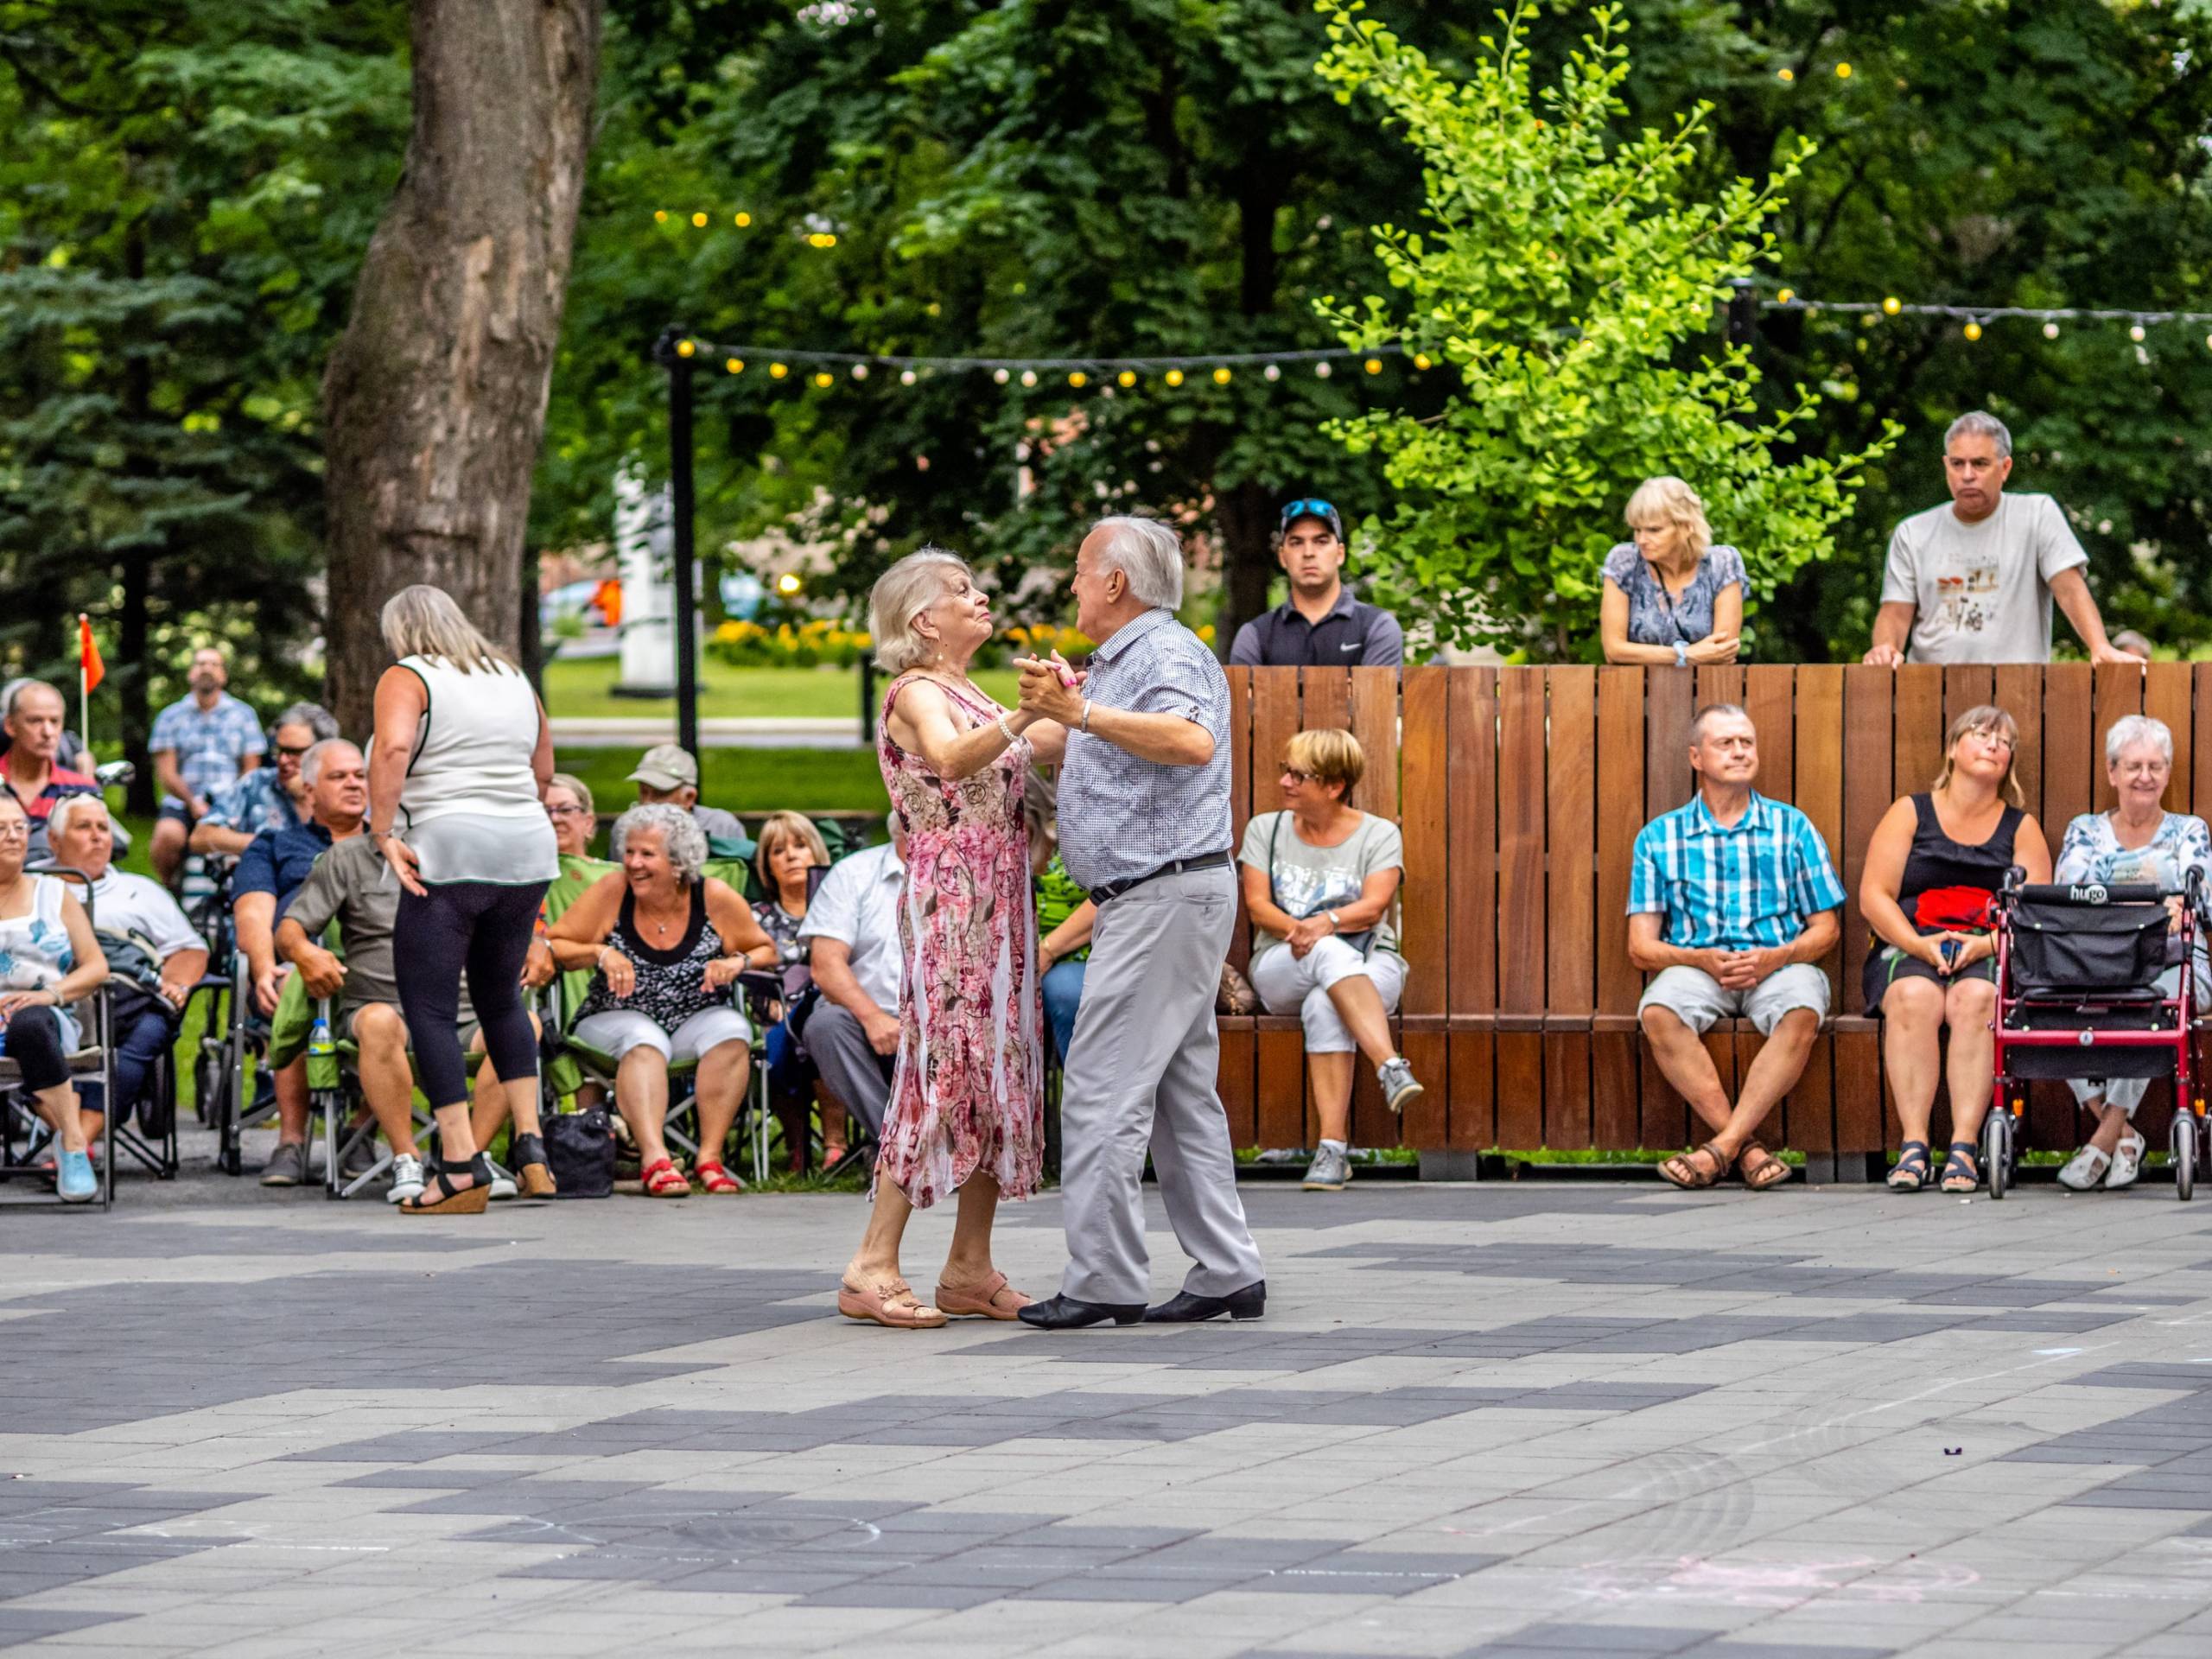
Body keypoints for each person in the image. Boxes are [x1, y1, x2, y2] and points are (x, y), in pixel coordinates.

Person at [1014, 515, 1267, 1329]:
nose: (1075, 583)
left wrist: (1081, 714)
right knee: (1179, 1095)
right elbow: (1073, 742)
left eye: (1082, 570)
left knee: (1100, 1089)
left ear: (1116, 582)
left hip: (1160, 898)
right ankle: (1228, 1270)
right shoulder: (1127, 660)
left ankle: (1104, 1280)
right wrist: (1046, 715)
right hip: (1166, 897)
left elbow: (1190, 742)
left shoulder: (1162, 652)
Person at [834, 548, 1065, 1331]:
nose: (981, 597)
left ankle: (969, 1268)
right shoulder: (919, 693)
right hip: (954, 901)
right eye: (960, 591)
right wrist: (1030, 714)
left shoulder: (968, 690)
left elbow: (1036, 750)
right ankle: (870, 1266)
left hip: (1002, 901)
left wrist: (1077, 706)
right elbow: (952, 757)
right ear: (923, 619)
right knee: (946, 1067)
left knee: (999, 1069)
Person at [366, 585, 558, 1215]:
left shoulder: (409, 675)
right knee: (501, 996)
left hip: (449, 849)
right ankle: (531, 1148)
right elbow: (544, 766)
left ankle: (456, 1161)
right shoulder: (510, 675)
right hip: (526, 850)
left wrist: (382, 831)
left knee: (428, 1005)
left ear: (402, 631)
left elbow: (393, 748)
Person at [1626, 706, 1846, 1190]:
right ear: (1696, 757)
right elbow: (1641, 948)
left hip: (1778, 962)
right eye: (1726, 743)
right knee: (1659, 1009)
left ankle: (1721, 1148)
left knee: (1804, 1007)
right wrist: (1698, 958)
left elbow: (1826, 929)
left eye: (1747, 742)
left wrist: (1778, 957)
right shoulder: (1659, 837)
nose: (1741, 751)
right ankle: (1745, 1148)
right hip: (1697, 964)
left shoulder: (1793, 828)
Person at [1861, 703, 2052, 1192]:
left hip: (1990, 950)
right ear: (1951, 749)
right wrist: (1919, 947)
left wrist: (1984, 944)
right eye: (1981, 734)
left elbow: (2034, 910)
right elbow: (1874, 897)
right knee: (1914, 998)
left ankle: (1965, 1147)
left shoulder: (2020, 827)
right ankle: (1915, 1145)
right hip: (1909, 943)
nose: (1994, 745)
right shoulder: (1911, 811)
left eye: (2004, 742)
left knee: (1976, 1001)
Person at [549, 803, 774, 1196]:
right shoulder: (613, 891)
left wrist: (737, 962)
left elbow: (765, 949)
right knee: (645, 1039)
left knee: (733, 1030)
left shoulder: (714, 896)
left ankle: (709, 1157)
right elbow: (557, 943)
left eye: (646, 854)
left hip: (693, 1015)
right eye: (629, 851)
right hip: (614, 1016)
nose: (632, 862)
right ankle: (656, 1159)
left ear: (678, 863)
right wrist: (600, 953)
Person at [1238, 728, 1421, 1192]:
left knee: (1325, 1002)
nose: (1284, 782)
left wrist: (1327, 922)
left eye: (1298, 775)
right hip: (1281, 963)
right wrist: (1305, 931)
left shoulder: (1379, 834)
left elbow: (1374, 906)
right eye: (1286, 770)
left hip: (1370, 961)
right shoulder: (1266, 828)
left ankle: (1332, 1151)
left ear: (1334, 785)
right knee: (1324, 953)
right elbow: (1258, 907)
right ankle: (1389, 1066)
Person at [2050, 715, 2212, 1192]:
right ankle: (2124, 1136)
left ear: (2167, 772)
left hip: (2178, 967)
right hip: (2096, 967)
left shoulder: (2189, 831)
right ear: (2112, 772)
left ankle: (2101, 1138)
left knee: (2152, 1005)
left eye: (2155, 766)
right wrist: (2155, 902)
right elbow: (2071, 894)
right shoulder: (2085, 831)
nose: (2145, 775)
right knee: (2052, 1009)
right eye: (2134, 765)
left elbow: (2201, 901)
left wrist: (2120, 902)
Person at [1863, 412, 2139, 668]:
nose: (1967, 475)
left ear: (2005, 468)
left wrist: (2099, 646)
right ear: (1946, 466)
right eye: (1958, 464)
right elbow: (1895, 612)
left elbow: (2069, 588)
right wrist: (1885, 650)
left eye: (1980, 463)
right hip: (1932, 693)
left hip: (2017, 690)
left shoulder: (2037, 514)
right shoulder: (1913, 532)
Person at [235, 737, 368, 1186]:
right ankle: (291, 1141)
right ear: (309, 790)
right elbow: (254, 910)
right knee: (295, 983)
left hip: (374, 971)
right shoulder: (276, 844)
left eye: (360, 775)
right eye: (339, 776)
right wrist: (262, 969)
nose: (354, 784)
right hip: (294, 967)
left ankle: (361, 1129)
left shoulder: (389, 844)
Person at [44, 796, 208, 1156]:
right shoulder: (33, 889)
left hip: (130, 1000)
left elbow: (189, 949)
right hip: (53, 1000)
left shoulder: (141, 890)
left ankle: (75, 1146)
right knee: (32, 1039)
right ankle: (77, 1144)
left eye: (103, 828)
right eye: (84, 827)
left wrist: (177, 985)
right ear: (54, 841)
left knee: (147, 1032)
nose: (98, 837)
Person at [0, 791, 109, 1201]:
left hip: (44, 1019)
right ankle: (71, 1133)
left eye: (20, 827)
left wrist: (50, 994)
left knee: (28, 1025)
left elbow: (96, 967)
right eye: (1, 829)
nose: (13, 837)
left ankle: (74, 1147)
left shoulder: (54, 893)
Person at [797, 815, 907, 1145]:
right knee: (825, 1026)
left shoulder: (965, 872)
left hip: (945, 1019)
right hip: (867, 1018)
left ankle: (956, 1150)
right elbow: (825, 964)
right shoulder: (853, 873)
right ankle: (899, 1146)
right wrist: (873, 1018)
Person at [751, 810, 843, 1173]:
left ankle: (835, 1144)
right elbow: (749, 975)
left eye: (800, 846)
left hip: (830, 1009)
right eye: (777, 850)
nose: (790, 855)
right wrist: (769, 1006)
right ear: (766, 866)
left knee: (823, 1030)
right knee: (781, 1041)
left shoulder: (840, 911)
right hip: (774, 1016)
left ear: (817, 854)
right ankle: (798, 1146)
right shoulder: (755, 916)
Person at [1227, 499, 1404, 668]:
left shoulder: (1377, 627)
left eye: (1321, 541)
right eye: (1297, 542)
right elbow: (1242, 699)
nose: (1309, 552)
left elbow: (1377, 698)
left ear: (1340, 553)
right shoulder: (1255, 635)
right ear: (1282, 556)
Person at [1599, 476, 1745, 666]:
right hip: (1634, 690)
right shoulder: (1624, 562)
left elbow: (1722, 652)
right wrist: (1685, 654)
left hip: (1709, 690)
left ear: (1686, 527)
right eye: (1637, 529)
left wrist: (1643, 654)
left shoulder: (1721, 563)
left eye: (1654, 530)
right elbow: (1614, 650)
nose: (1641, 539)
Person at [149, 645, 265, 884]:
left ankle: (235, 895)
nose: (207, 669)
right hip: (183, 801)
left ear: (223, 675)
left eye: (214, 664)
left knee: (248, 841)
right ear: (191, 673)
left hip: (230, 801)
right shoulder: (170, 717)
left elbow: (251, 770)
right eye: (201, 664)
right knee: (167, 836)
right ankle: (170, 890)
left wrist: (229, 803)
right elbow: (166, 773)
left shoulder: (244, 715)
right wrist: (192, 802)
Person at [190, 703, 337, 858]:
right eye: (279, 750)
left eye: (294, 752)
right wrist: (272, 844)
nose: (283, 760)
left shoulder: (346, 787)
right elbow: (200, 837)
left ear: (325, 751)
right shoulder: (257, 783)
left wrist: (308, 794)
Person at [1026, 770, 1095, 1065]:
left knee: (1069, 994)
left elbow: (1109, 898)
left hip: (1079, 951)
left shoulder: (1075, 836)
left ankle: (1087, 1099)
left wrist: (1047, 950)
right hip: (1016, 955)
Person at [0, 681, 100, 862]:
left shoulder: (81, 788)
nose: (48, 732)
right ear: (10, 725)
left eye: (54, 721)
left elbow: (94, 858)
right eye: (35, 720)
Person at [628, 744, 749, 850]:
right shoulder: (626, 828)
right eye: (644, 792)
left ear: (689, 797)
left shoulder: (722, 826)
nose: (648, 802)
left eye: (660, 793)